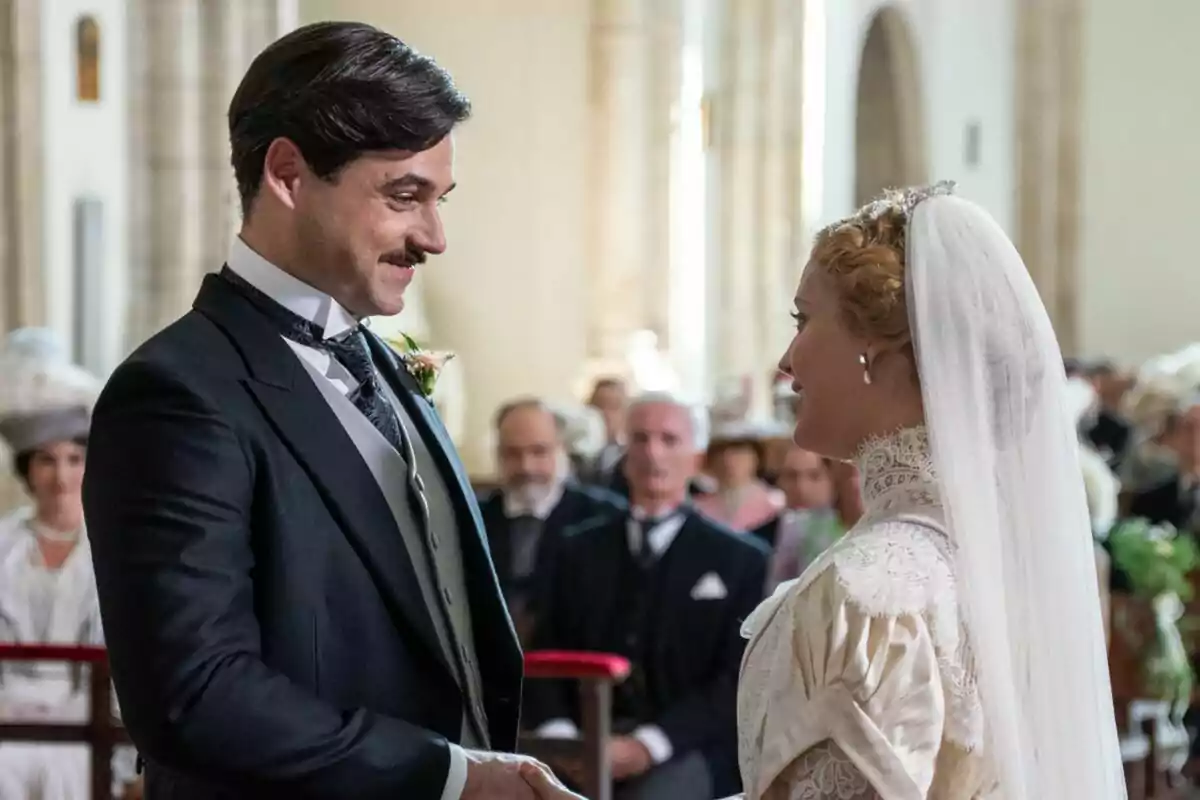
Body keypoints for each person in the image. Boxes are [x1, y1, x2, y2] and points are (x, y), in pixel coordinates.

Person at [83, 21, 565, 799]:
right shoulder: (177, 394)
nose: (435, 237)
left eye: (441, 200)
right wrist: (447, 777)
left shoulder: (384, 362)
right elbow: (194, 694)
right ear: (287, 174)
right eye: (404, 195)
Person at [731, 183, 1123, 798]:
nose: (786, 360)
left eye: (804, 320)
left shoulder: (869, 589)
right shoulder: (1008, 562)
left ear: (875, 349)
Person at [527, 394, 768, 800]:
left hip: (685, 746)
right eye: (639, 438)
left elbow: (736, 678)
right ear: (624, 454)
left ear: (696, 457)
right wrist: (565, 741)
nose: (653, 452)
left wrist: (647, 746)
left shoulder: (741, 560)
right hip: (580, 741)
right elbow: (546, 646)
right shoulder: (577, 549)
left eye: (669, 439)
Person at [0, 328, 139, 800]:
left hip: (91, 727)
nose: (61, 477)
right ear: (26, 469)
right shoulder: (3, 546)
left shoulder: (119, 548)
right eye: (46, 460)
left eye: (74, 459)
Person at [479, 398, 625, 644]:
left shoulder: (605, 517)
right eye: (513, 453)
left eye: (539, 451)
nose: (526, 466)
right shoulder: (473, 518)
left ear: (562, 451)